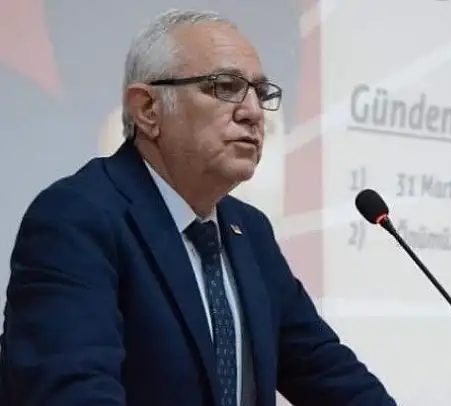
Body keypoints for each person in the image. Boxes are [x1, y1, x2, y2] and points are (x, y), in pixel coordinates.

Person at [0, 8, 396, 406]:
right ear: (148, 109)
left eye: (261, 93)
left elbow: (326, 370)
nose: (253, 112)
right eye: (225, 87)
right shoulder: (76, 218)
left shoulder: (250, 230)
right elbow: (72, 391)